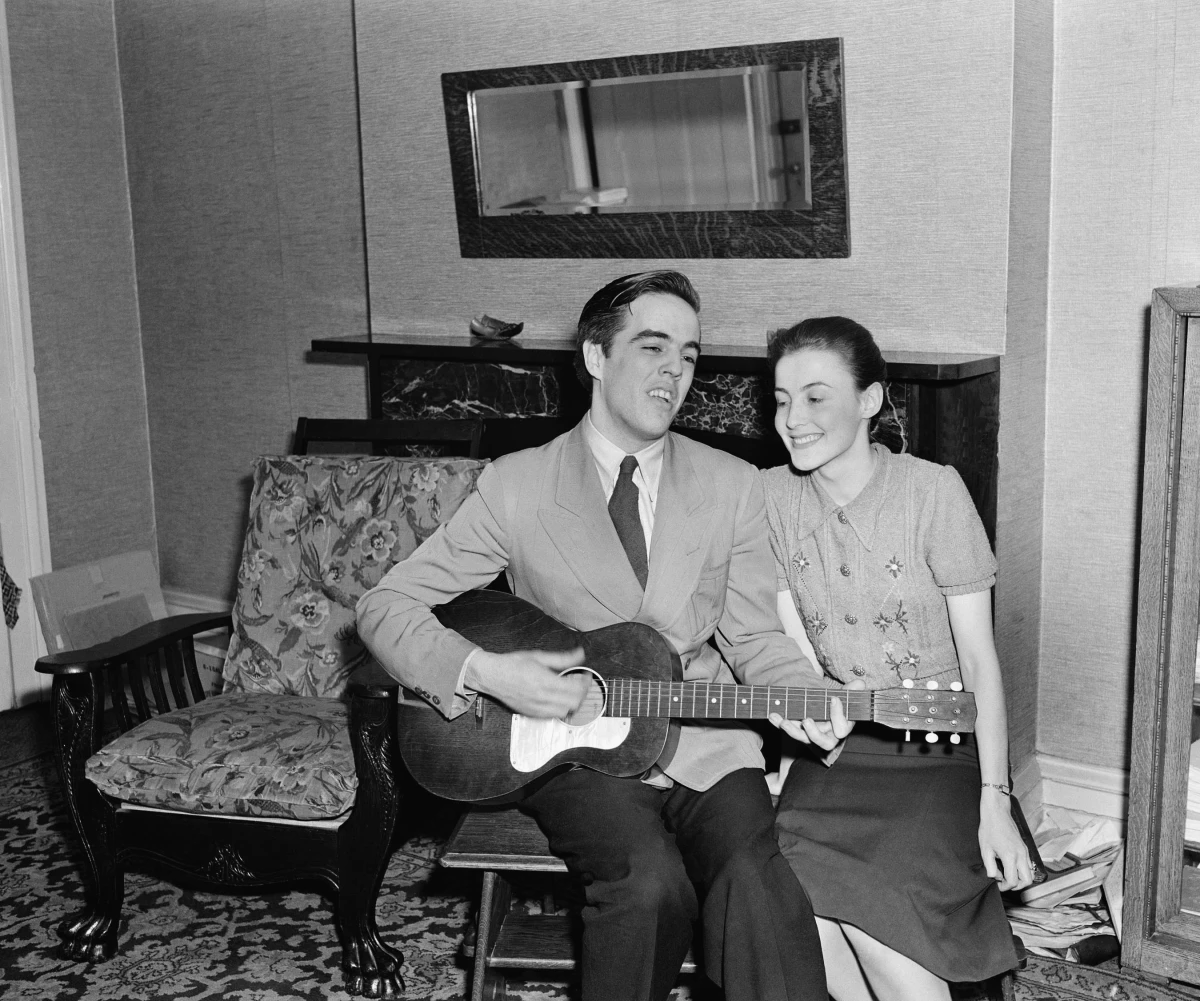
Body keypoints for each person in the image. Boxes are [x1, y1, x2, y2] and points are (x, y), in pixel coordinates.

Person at [356, 271, 841, 1001]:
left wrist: (803, 687)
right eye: (652, 347)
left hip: (705, 738)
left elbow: (753, 636)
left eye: (688, 353)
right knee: (647, 887)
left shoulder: (735, 484)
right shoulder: (514, 485)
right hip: (573, 755)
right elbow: (384, 605)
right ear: (594, 356)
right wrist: (486, 670)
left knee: (756, 878)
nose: (675, 370)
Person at [761, 316, 1035, 1001]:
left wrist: (995, 801)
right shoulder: (768, 498)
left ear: (870, 400)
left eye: (816, 396)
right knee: (793, 901)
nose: (792, 418)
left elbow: (979, 661)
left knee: (879, 916)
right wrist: (788, 760)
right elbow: (795, 658)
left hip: (938, 749)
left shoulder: (932, 492)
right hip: (839, 752)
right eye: (782, 398)